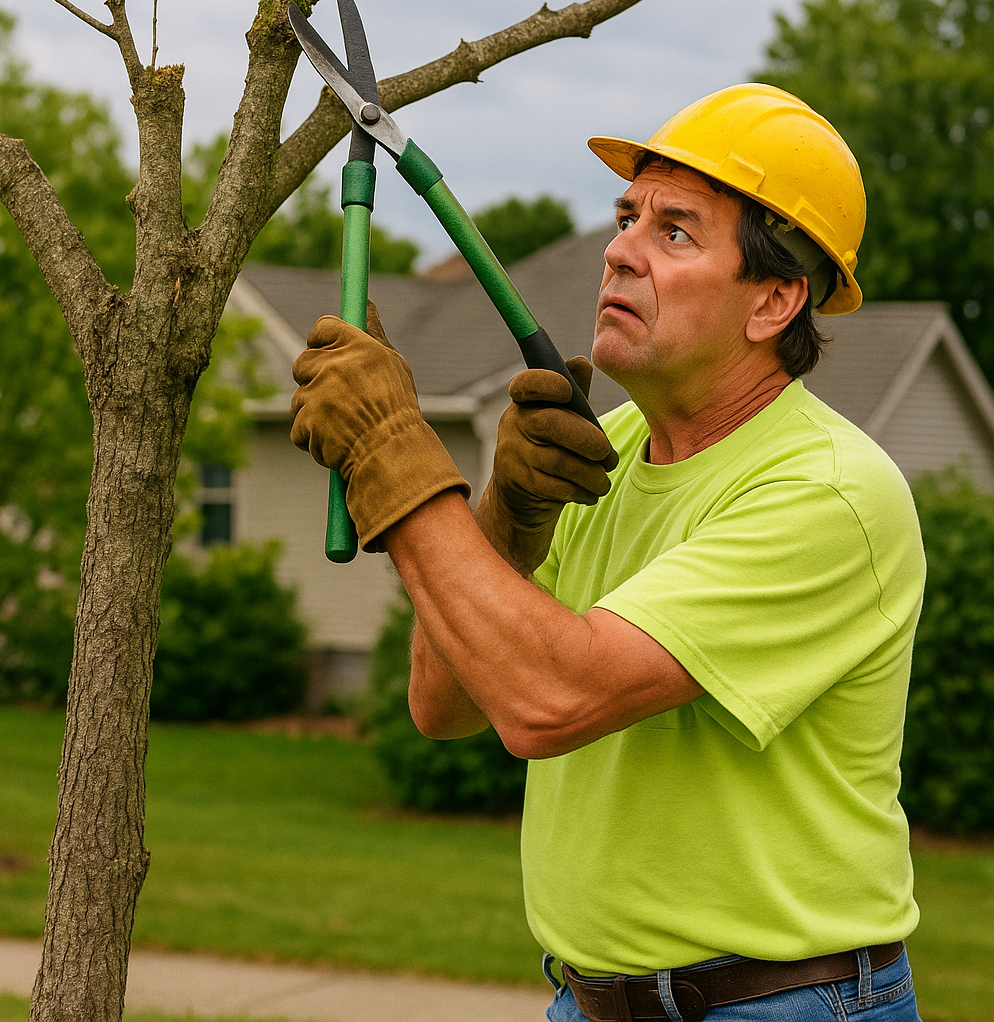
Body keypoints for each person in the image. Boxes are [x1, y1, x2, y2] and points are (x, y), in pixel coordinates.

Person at [290, 84, 925, 1022]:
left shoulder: (826, 492)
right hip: (586, 1003)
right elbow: (445, 701)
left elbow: (550, 701)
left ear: (776, 298)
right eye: (629, 217)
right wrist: (505, 513)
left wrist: (393, 456)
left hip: (783, 1006)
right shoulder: (604, 451)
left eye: (675, 232)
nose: (619, 249)